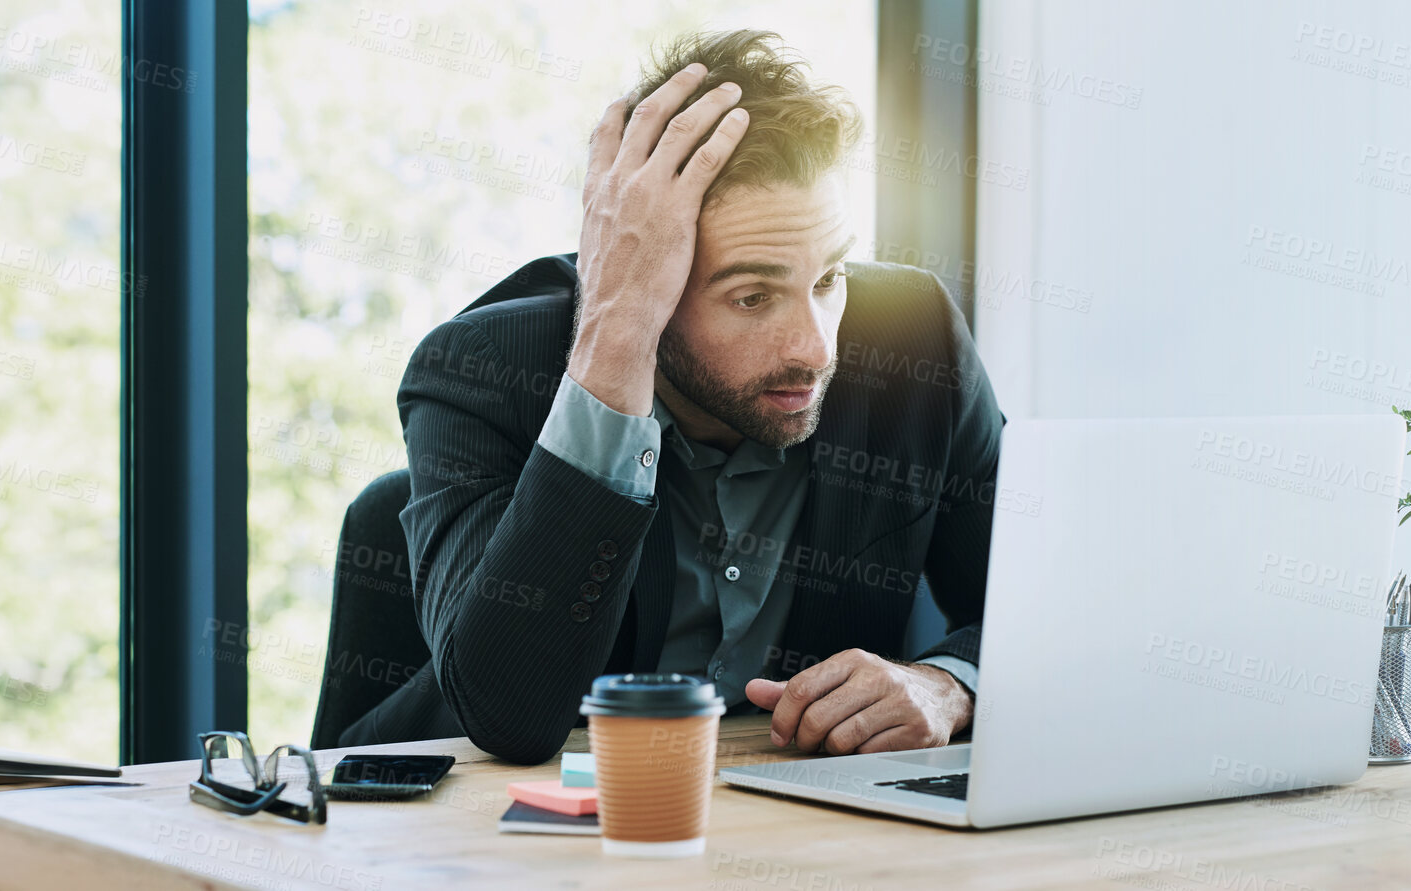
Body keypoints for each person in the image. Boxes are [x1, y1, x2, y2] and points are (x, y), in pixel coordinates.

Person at [338, 30, 1002, 766]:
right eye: (753, 297)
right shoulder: (483, 371)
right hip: (469, 832)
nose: (816, 349)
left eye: (826, 281)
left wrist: (948, 684)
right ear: (647, 278)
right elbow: (510, 715)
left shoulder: (915, 345)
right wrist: (619, 336)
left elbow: (1045, 609)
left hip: (784, 832)